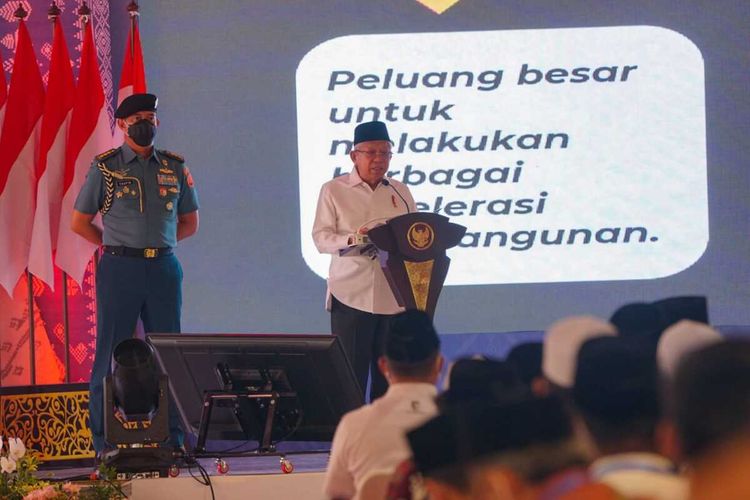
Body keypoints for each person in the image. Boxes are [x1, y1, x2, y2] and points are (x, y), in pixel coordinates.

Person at [71, 93, 199, 456]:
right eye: (137, 117)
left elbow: (190, 222)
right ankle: (103, 442)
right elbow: (79, 222)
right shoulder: (106, 168)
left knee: (168, 352)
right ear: (123, 125)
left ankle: (173, 439)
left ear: (157, 122)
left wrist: (157, 245)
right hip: (119, 269)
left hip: (163, 267)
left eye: (151, 116)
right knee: (108, 354)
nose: (146, 122)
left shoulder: (173, 167)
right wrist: (115, 246)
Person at [312, 120, 416, 400]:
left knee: (389, 378)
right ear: (354, 155)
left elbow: (412, 233)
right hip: (351, 293)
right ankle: (352, 439)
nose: (379, 160)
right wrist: (352, 240)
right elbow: (321, 238)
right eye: (372, 153)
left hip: (393, 294)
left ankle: (385, 437)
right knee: (350, 378)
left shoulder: (400, 191)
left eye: (385, 154)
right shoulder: (334, 189)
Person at [323, 309, 443, 500]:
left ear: (383, 366)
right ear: (439, 365)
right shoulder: (463, 425)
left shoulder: (354, 426)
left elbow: (337, 495)